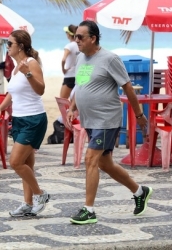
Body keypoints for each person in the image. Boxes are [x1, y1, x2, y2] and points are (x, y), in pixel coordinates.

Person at [67, 20, 153, 225]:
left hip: (106, 119)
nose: (76, 40)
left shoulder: (110, 59)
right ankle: (140, 191)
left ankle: (89, 210)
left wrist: (139, 115)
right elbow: (80, 86)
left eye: (80, 37)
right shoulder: (80, 58)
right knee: (105, 163)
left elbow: (128, 88)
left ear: (93, 38)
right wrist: (72, 107)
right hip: (90, 120)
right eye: (75, 37)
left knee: (90, 158)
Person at [0, 30, 50, 217]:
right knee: (26, 164)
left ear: (20, 46)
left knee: (16, 162)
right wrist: (1, 108)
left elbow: (41, 90)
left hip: (34, 119)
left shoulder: (31, 63)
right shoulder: (15, 67)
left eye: (10, 43)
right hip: (20, 119)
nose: (7, 47)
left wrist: (28, 73)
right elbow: (12, 94)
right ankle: (28, 204)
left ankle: (40, 194)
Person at [60, 24, 79, 98]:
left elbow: (63, 59)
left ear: (69, 34)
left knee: (62, 101)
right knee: (75, 102)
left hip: (69, 76)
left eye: (66, 33)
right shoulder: (80, 45)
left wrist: (63, 70)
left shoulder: (69, 46)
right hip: (78, 76)